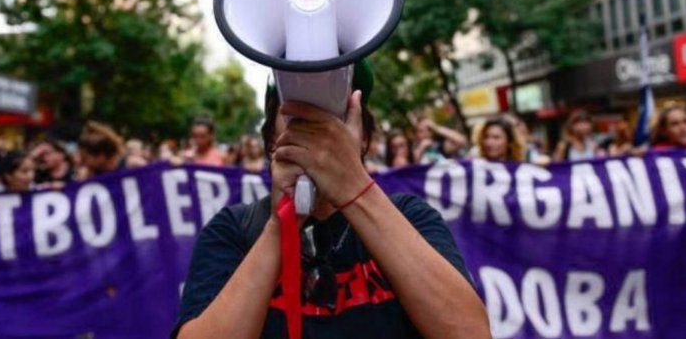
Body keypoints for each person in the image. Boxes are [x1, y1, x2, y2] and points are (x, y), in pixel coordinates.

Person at [174, 63, 489, 339]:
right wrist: (282, 221)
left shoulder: (410, 217)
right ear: (271, 137)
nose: (319, 136)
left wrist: (355, 188)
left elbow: (470, 332)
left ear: (363, 137)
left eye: (333, 117)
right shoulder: (232, 231)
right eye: (299, 118)